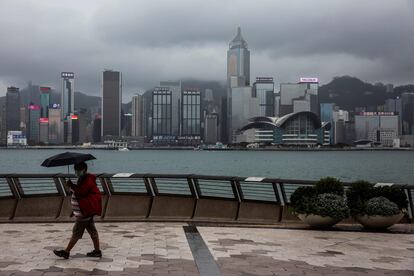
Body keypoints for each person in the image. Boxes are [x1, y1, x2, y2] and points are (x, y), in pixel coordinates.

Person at [53, 162, 102, 259]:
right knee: (92, 231)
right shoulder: (83, 179)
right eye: (75, 170)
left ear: (84, 169)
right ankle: (97, 251)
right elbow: (79, 193)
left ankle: (66, 252)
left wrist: (71, 185)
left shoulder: (87, 180)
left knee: (76, 232)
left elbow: (81, 192)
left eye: (78, 170)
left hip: (84, 212)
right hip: (85, 211)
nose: (76, 172)